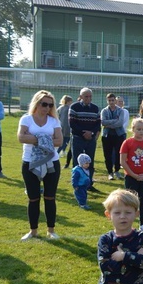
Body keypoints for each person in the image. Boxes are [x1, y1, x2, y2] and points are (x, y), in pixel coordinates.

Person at [18, 90, 63, 240]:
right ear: (37, 103)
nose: (47, 107)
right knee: (33, 198)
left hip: (52, 162)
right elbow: (21, 137)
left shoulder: (54, 121)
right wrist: (43, 139)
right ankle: (33, 231)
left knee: (50, 197)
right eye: (44, 104)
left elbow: (59, 141)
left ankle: (51, 230)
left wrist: (37, 139)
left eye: (50, 105)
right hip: (30, 162)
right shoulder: (26, 119)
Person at [119, 117, 143, 233]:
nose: (141, 132)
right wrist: (133, 174)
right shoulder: (127, 143)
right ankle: (127, 223)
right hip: (131, 177)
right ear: (133, 129)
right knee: (130, 201)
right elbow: (123, 161)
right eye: (138, 129)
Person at [68, 87, 100, 192]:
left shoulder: (95, 108)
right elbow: (72, 123)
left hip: (90, 139)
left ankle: (88, 184)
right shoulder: (74, 107)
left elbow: (98, 124)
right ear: (81, 96)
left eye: (90, 96)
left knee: (90, 161)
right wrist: (83, 133)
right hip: (78, 138)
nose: (88, 98)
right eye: (86, 96)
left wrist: (91, 133)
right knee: (77, 162)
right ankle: (77, 185)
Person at [101, 93, 127, 181]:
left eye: (113, 100)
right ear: (107, 101)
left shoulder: (120, 110)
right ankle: (110, 172)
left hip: (119, 135)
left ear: (115, 101)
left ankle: (117, 171)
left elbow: (120, 122)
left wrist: (110, 124)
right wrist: (114, 121)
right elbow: (103, 122)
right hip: (107, 136)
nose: (111, 102)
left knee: (118, 154)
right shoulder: (104, 111)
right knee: (107, 155)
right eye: (109, 100)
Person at [56, 95, 73, 165]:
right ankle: (58, 152)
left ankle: (62, 151)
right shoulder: (68, 109)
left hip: (60, 127)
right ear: (68, 102)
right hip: (67, 128)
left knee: (63, 140)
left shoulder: (60, 108)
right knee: (65, 140)